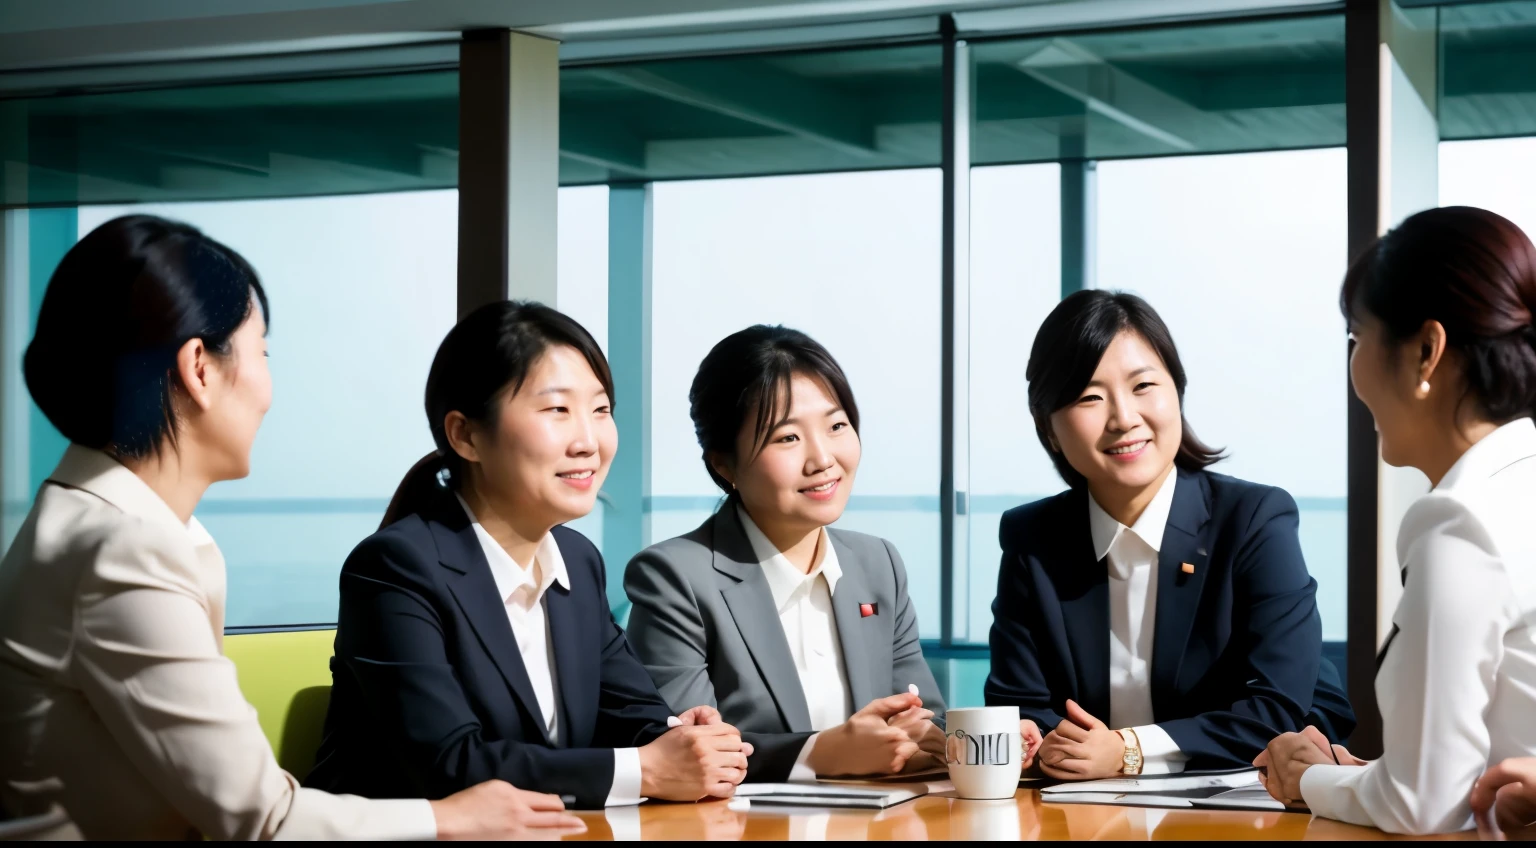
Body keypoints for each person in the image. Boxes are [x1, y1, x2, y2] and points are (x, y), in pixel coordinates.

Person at [0, 215, 583, 840]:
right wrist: (450, 817)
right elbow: (262, 816)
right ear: (200, 368)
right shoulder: (121, 549)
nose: (268, 390)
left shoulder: (109, 526)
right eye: (262, 353)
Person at [306, 301, 751, 809]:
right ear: (466, 434)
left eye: (601, 410)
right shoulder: (395, 568)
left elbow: (628, 710)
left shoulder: (576, 561)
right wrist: (647, 768)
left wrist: (678, 736)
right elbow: (450, 766)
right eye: (557, 410)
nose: (588, 441)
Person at [986, 289, 1355, 780]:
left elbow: (1274, 709)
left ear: (1176, 392)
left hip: (1239, 806)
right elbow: (1018, 706)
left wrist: (1127, 750)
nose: (1123, 418)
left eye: (1143, 386)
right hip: (1085, 816)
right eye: (1090, 397)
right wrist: (1041, 739)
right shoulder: (1031, 538)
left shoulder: (1254, 520)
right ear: (1049, 429)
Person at [1255, 206, 1536, 835]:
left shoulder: (1462, 524)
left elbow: (1425, 804)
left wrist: (1309, 779)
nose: (1353, 371)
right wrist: (1370, 774)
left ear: (1426, 352)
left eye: (1356, 339)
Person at [624, 325, 945, 782]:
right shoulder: (676, 577)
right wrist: (818, 753)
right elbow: (680, 752)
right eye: (787, 438)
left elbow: (925, 718)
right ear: (723, 463)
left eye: (837, 426)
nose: (822, 459)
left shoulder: (878, 564)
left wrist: (971, 741)